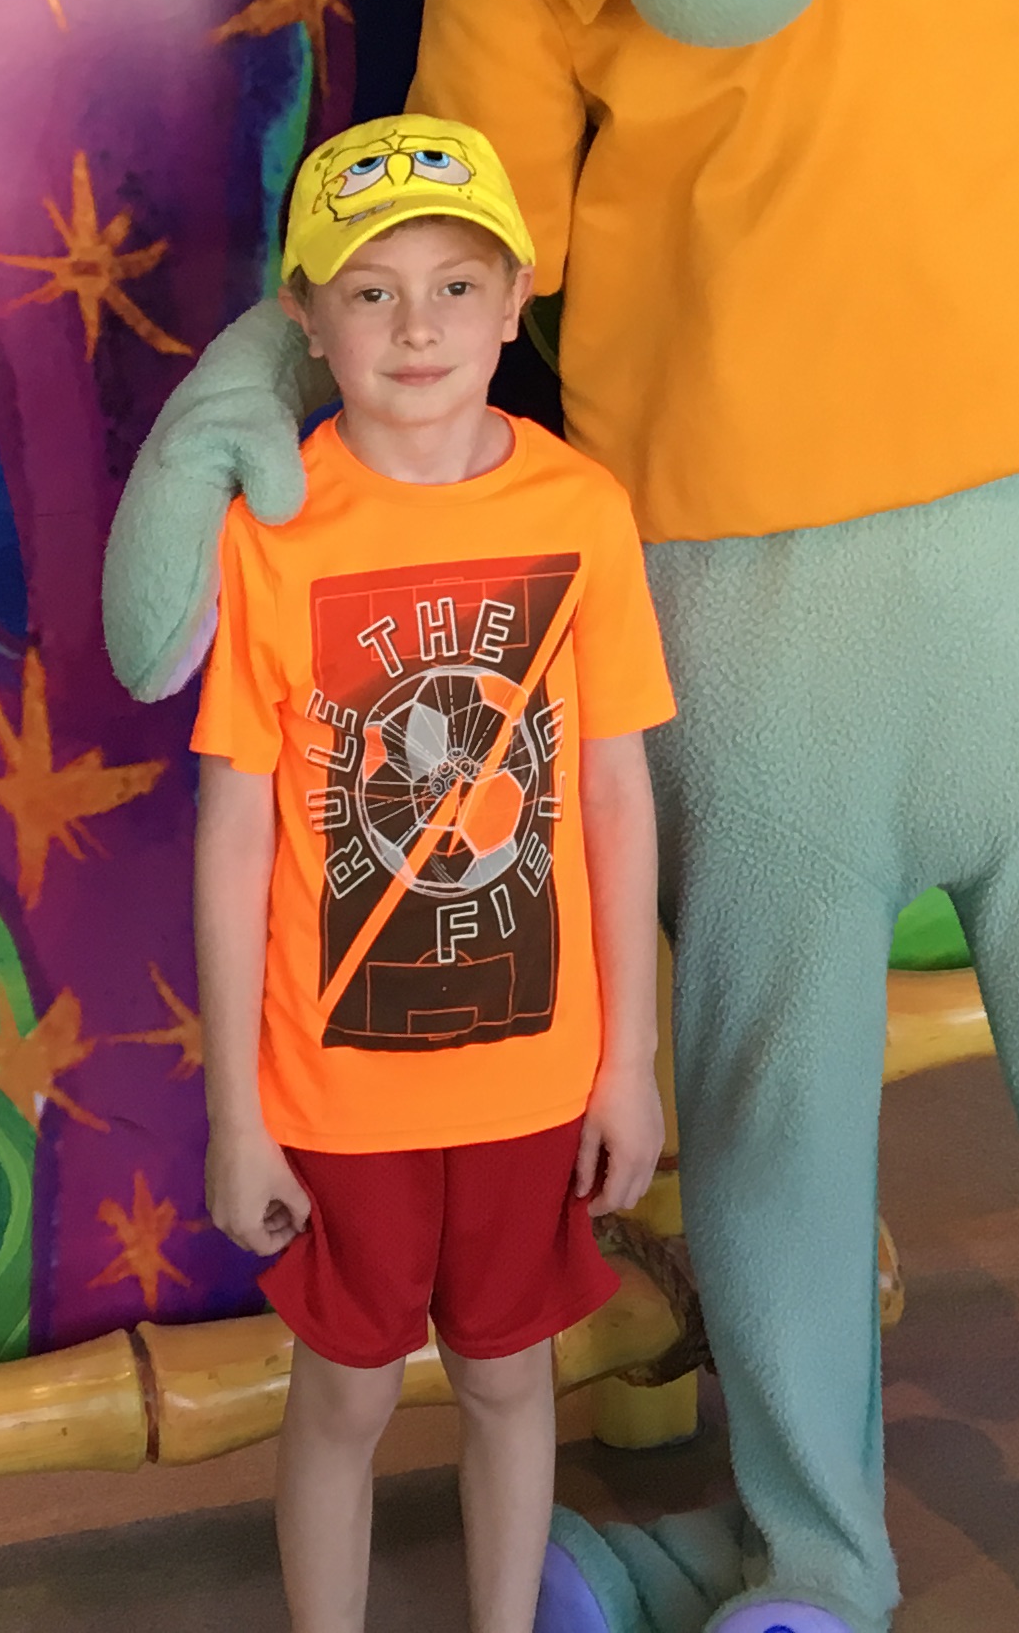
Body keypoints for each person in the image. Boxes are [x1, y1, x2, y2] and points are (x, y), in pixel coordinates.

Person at [191, 114, 675, 1633]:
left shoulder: (581, 513)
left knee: (509, 1379)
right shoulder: (270, 535)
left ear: (517, 299)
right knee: (341, 1398)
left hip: (534, 1075)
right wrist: (238, 1112)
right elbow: (234, 828)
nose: (419, 327)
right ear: (307, 314)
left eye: (457, 286)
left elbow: (614, 794)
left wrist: (628, 1064)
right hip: (339, 1087)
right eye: (374, 290)